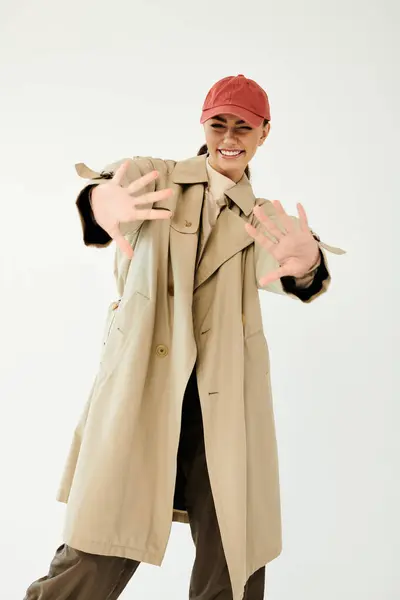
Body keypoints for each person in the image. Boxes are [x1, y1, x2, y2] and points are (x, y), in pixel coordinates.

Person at [23, 74, 345, 600]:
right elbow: (108, 190)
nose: (230, 136)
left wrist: (306, 263)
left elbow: (284, 262)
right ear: (203, 124)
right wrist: (101, 206)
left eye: (244, 125)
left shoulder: (263, 218)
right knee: (97, 548)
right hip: (142, 391)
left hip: (223, 405)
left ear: (265, 133)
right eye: (219, 123)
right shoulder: (158, 176)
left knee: (233, 558)